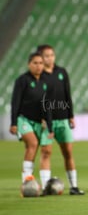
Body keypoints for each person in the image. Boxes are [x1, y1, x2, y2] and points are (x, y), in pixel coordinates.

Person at [37, 44, 84, 195]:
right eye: (46, 56)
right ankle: (46, 187)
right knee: (46, 152)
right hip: (46, 121)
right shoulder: (39, 75)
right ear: (41, 57)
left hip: (63, 118)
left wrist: (71, 115)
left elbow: (67, 94)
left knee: (68, 152)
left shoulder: (61, 72)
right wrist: (41, 118)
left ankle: (74, 186)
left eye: (51, 55)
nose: (49, 58)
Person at [9, 52, 53, 188]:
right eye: (35, 63)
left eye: (41, 63)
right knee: (33, 144)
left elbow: (48, 105)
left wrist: (49, 125)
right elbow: (15, 102)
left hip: (40, 121)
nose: (38, 66)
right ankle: (26, 182)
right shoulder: (22, 80)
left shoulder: (46, 81)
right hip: (24, 119)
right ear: (29, 64)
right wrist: (14, 122)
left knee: (42, 150)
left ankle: (44, 185)